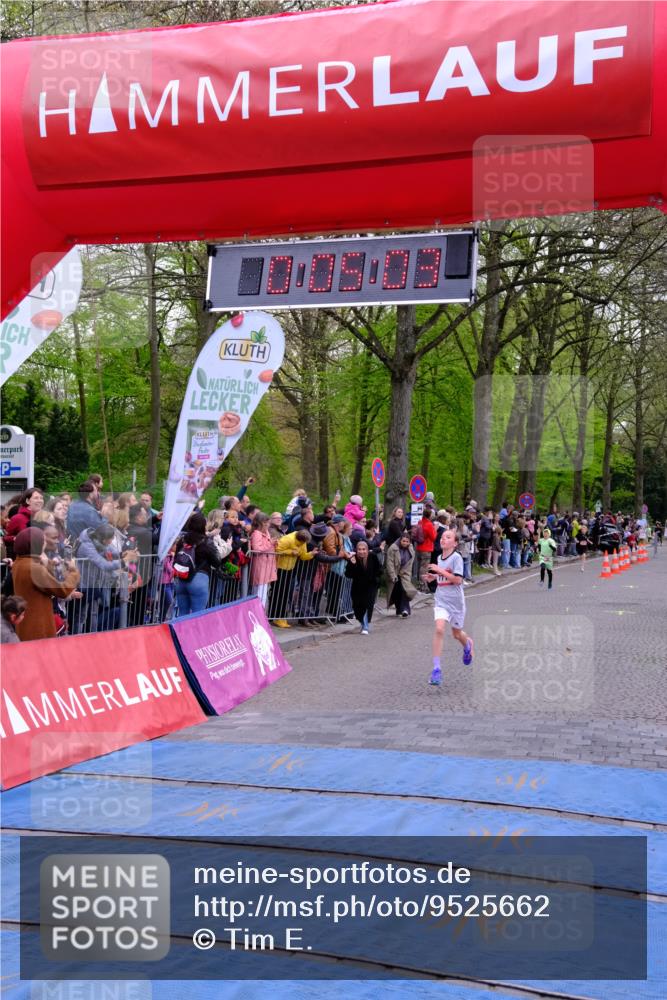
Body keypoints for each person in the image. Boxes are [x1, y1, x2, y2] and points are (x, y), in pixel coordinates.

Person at [11, 527, 80, 641]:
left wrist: (48, 564)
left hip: (25, 623)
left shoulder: (19, 563)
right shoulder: (34, 568)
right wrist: (73, 572)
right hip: (38, 626)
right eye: (42, 541)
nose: (44, 543)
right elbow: (62, 590)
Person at [424, 528, 473, 686]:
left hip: (456, 602)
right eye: (442, 537)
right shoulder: (440, 557)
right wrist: (434, 577)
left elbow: (457, 580)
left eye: (448, 537)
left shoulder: (456, 557)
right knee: (439, 629)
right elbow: (444, 576)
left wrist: (439, 571)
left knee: (456, 634)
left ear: (455, 543)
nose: (443, 539)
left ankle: (468, 644)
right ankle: (436, 669)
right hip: (441, 600)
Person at [173, 512, 222, 616]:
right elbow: (217, 561)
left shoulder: (182, 540)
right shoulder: (206, 542)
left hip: (181, 580)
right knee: (198, 616)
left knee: (182, 614)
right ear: (203, 526)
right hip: (199, 579)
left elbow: (176, 557)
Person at [271, 529, 314, 627]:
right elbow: (276, 550)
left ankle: (280, 617)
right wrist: (290, 552)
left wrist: (311, 554)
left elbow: (303, 556)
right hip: (280, 569)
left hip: (290, 569)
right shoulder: (288, 539)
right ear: (300, 540)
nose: (302, 545)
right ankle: (276, 617)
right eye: (302, 543)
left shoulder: (302, 542)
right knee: (279, 594)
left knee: (285, 594)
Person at [345, 538, 382, 634]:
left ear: (367, 549)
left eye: (363, 549)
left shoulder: (372, 556)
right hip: (358, 587)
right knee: (357, 607)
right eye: (359, 549)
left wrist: (376, 579)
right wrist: (353, 564)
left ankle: (365, 626)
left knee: (367, 605)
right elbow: (348, 574)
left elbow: (379, 570)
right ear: (356, 550)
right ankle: (362, 623)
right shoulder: (353, 558)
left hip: (370, 586)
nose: (361, 551)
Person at [249, 513, 277, 610]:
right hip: (261, 566)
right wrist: (270, 544)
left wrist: (273, 544)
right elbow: (257, 549)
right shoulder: (256, 534)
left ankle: (260, 612)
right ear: (261, 523)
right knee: (259, 593)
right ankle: (257, 613)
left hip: (266, 566)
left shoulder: (266, 533)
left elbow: (266, 545)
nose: (268, 525)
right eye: (266, 523)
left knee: (263, 593)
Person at [4, 488, 45, 555]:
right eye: (36, 498)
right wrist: (16, 538)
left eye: (41, 498)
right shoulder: (17, 518)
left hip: (41, 556)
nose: (40, 501)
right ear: (28, 501)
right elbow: (5, 538)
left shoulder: (43, 518)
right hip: (23, 557)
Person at [386, 531, 417, 617]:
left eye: (407, 541)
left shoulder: (410, 548)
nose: (405, 543)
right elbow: (389, 563)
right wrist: (393, 575)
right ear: (400, 540)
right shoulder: (393, 548)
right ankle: (399, 610)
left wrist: (408, 573)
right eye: (403, 541)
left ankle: (405, 609)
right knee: (396, 592)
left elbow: (410, 562)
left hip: (405, 573)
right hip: (395, 572)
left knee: (405, 590)